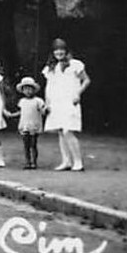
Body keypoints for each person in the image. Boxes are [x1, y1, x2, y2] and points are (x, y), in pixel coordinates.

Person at [42, 38, 91, 171]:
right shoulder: (50, 68)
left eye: (61, 49)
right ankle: (66, 161)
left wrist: (78, 93)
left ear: (66, 50)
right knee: (60, 131)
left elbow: (86, 80)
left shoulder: (75, 64)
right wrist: (47, 103)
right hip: (56, 102)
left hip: (70, 101)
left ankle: (78, 162)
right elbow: (49, 87)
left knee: (68, 130)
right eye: (56, 50)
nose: (59, 52)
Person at [11, 76, 46, 170]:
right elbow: (20, 112)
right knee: (26, 144)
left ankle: (34, 162)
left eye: (30, 89)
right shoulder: (22, 101)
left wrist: (45, 110)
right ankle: (27, 162)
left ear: (34, 90)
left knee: (33, 144)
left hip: (34, 125)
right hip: (24, 125)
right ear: (22, 91)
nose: (28, 91)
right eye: (25, 89)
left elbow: (42, 110)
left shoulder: (38, 101)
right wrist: (12, 115)